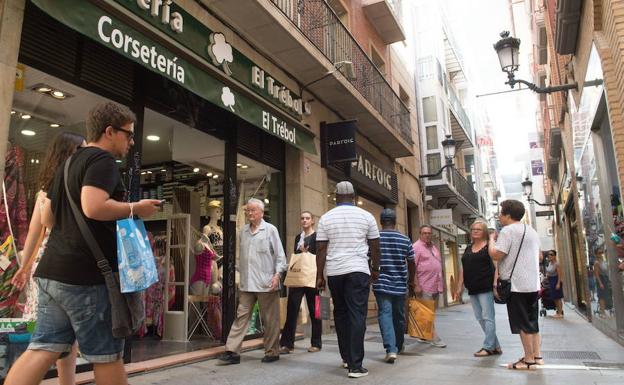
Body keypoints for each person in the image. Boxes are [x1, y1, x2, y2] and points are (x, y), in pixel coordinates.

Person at [5, 102, 161, 385]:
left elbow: (49, 216)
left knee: (41, 349)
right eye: (128, 134)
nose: (131, 141)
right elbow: (93, 206)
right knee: (107, 356)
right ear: (110, 131)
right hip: (87, 277)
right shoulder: (102, 161)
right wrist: (136, 208)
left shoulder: (67, 165)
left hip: (53, 273)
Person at [10, 132, 86, 385]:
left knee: (60, 334)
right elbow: (37, 230)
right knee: (47, 336)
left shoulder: (52, 187)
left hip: (53, 262)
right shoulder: (66, 187)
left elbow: (35, 231)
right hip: (57, 263)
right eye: (81, 150)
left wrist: (25, 267)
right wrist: (25, 267)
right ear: (69, 153)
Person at [316, 181, 380, 378]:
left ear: (336, 196)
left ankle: (346, 358)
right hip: (358, 270)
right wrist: (375, 269)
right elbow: (375, 246)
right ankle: (355, 365)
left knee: (341, 314)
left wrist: (320, 275)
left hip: (335, 272)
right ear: (354, 196)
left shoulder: (326, 218)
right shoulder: (366, 216)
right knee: (357, 315)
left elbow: (320, 249)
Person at [218, 198, 287, 365]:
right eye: (247, 210)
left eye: (253, 210)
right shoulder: (243, 231)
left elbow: (280, 256)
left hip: (266, 283)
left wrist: (277, 275)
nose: (249, 213)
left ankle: (272, 351)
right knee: (241, 316)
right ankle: (232, 351)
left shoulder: (270, 230)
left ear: (261, 213)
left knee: (270, 320)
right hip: (247, 283)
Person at [488, 199, 542, 370]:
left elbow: (496, 255)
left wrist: (491, 240)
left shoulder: (507, 231)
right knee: (532, 321)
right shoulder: (531, 230)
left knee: (522, 323)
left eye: (501, 212)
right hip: (533, 283)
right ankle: (536, 356)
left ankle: (528, 360)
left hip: (516, 284)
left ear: (508, 215)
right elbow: (539, 257)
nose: (499, 215)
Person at [372, 208, 414, 364]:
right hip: (400, 283)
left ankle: (391, 349)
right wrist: (411, 281)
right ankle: (399, 345)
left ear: (381, 222)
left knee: (385, 314)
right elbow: (411, 261)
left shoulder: (375, 238)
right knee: (399, 315)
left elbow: (369, 258)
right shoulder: (405, 239)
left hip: (381, 283)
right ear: (395, 222)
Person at [455, 220, 501, 357]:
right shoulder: (468, 248)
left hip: (485, 287)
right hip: (472, 288)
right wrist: (459, 285)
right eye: (473, 229)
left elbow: (497, 266)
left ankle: (488, 347)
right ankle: (496, 345)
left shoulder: (489, 247)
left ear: (484, 232)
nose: (475, 231)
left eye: (479, 229)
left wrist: (495, 284)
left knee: (488, 317)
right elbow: (464, 268)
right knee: (480, 318)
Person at [280, 211, 322, 354]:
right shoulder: (298, 237)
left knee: (315, 310)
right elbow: (296, 258)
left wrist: (307, 253)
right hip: (298, 278)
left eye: (307, 218)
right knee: (292, 309)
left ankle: (316, 343)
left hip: (313, 278)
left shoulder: (318, 237)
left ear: (312, 221)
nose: (304, 220)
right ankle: (287, 344)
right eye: (302, 218)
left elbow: (320, 256)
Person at [411, 225, 446, 348]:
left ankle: (423, 335)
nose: (427, 235)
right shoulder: (416, 247)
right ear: (420, 234)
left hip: (435, 284)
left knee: (430, 312)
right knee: (427, 312)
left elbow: (437, 264)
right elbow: (412, 267)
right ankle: (434, 337)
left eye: (429, 233)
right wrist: (416, 284)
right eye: (424, 233)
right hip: (424, 284)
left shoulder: (433, 247)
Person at [593, 248, 612, 318]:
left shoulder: (603, 261)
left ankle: (603, 311)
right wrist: (600, 283)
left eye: (601, 252)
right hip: (601, 280)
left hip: (605, 279)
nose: (601, 254)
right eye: (599, 253)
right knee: (601, 296)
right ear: (596, 254)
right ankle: (602, 312)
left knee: (605, 295)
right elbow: (596, 274)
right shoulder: (596, 263)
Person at [545, 250, 564, 318]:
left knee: (558, 297)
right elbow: (548, 272)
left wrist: (558, 283)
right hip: (551, 281)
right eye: (548, 254)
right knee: (554, 298)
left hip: (556, 280)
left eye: (551, 254)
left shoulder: (557, 264)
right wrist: (546, 277)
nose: (549, 256)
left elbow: (560, 275)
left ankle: (560, 313)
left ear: (555, 256)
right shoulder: (549, 263)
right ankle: (558, 312)